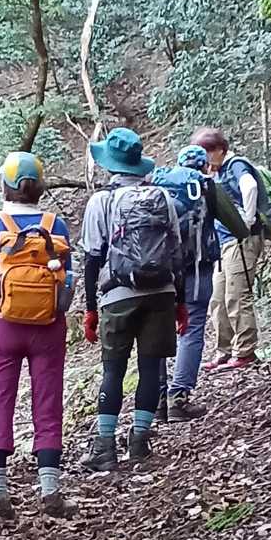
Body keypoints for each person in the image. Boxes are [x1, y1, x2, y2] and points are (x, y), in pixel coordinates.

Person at [0, 151, 73, 520]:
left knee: (0, 400)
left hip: (4, 326)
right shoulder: (55, 225)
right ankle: (50, 489)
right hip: (48, 325)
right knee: (48, 402)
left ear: (5, 185)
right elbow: (65, 276)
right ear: (40, 188)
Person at [81, 126, 186, 471]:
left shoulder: (101, 202)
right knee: (151, 368)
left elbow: (92, 259)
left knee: (113, 370)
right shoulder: (163, 198)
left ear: (110, 165)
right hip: (162, 293)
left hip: (117, 296)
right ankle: (140, 441)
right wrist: (181, 302)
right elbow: (177, 253)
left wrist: (90, 309)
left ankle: (105, 447)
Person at [152, 144, 247, 419]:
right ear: (205, 166)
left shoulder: (158, 183)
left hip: (160, 269)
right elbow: (237, 227)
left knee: (157, 331)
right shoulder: (207, 185)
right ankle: (178, 399)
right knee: (191, 329)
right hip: (197, 267)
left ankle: (157, 400)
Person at [192, 125, 261, 370]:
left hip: (241, 241)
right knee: (217, 299)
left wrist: (248, 220)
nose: (205, 159)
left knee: (236, 295)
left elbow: (250, 186)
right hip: (223, 244)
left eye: (207, 153)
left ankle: (245, 352)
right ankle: (225, 350)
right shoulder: (217, 172)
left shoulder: (235, 165)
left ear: (220, 150)